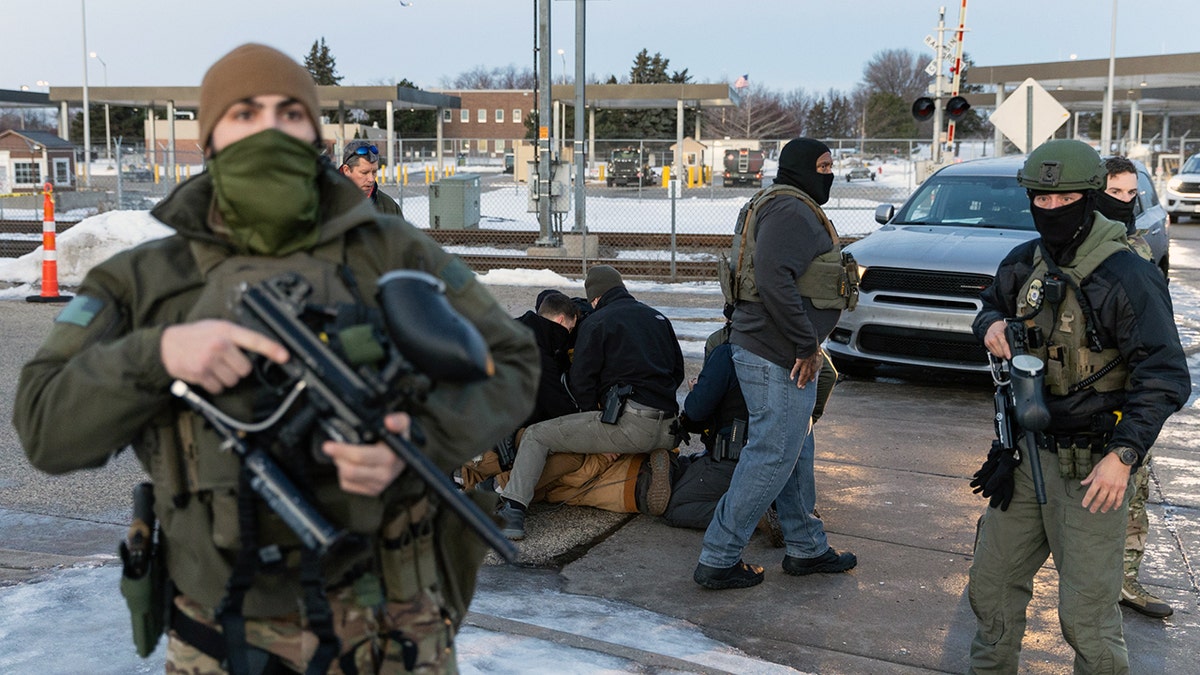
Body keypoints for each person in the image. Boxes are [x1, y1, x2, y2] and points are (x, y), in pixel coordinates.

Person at [12, 43, 538, 674]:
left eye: (289, 112)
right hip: (220, 636)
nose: (267, 129)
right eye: (243, 114)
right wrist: (157, 354)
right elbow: (45, 428)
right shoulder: (143, 281)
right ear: (208, 141)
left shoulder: (392, 250)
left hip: (392, 630)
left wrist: (419, 438)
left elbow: (511, 362)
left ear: (315, 134)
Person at [967, 139, 1189, 673]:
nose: (1049, 210)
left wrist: (1125, 454)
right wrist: (990, 325)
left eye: (1062, 198)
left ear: (1088, 199)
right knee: (991, 593)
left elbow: (1165, 375)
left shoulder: (1127, 276)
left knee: (1085, 619)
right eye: (1038, 200)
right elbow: (989, 305)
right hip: (1024, 458)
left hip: (1095, 468)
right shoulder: (1024, 263)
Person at [694, 137, 860, 590]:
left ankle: (806, 547)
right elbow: (772, 280)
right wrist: (807, 346)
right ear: (803, 168)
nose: (830, 173)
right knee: (771, 455)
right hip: (777, 353)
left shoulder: (781, 203)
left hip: (772, 348)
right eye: (824, 165)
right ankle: (718, 557)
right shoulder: (790, 210)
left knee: (794, 448)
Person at [496, 265, 684, 539]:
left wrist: (598, 434)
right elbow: (677, 372)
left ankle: (512, 511)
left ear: (594, 299)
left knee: (537, 436)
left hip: (631, 425)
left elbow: (581, 384)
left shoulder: (598, 321)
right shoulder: (658, 317)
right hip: (669, 429)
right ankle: (653, 466)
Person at [667, 319, 837, 536]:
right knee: (689, 469)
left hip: (735, 458)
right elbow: (828, 376)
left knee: (677, 507)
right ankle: (778, 507)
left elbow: (696, 411)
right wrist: (804, 418)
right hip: (778, 460)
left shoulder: (727, 352)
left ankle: (755, 515)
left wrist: (696, 390)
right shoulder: (790, 347)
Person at [1096, 155, 1173, 619]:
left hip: (1130, 393)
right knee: (1035, 490)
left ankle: (1124, 581)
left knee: (1133, 488)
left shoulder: (1140, 249)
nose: (1124, 202)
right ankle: (1000, 569)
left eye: (1131, 194)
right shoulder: (1064, 247)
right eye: (1114, 193)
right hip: (1077, 396)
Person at [340, 139, 403, 217]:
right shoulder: (324, 205)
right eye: (364, 172)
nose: (371, 179)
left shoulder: (389, 208)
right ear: (346, 170)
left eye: (374, 172)